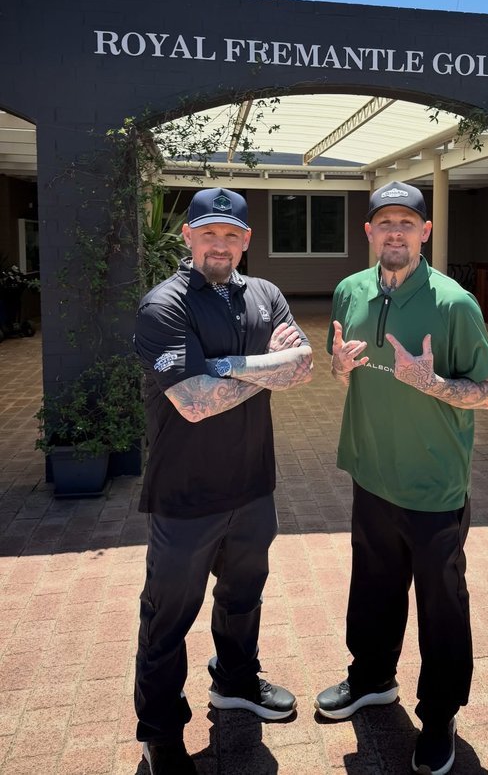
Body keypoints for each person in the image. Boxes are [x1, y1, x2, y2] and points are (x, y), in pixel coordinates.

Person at [314, 181, 488, 775]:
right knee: (372, 585)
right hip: (371, 471)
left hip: (433, 486)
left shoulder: (454, 304)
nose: (396, 232)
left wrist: (435, 384)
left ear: (425, 232)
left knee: (441, 605)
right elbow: (343, 370)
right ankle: (371, 678)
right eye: (385, 222)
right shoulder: (350, 291)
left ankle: (440, 714)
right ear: (369, 231)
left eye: (407, 223)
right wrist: (338, 368)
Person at [133, 187, 313, 775]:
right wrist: (267, 368)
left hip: (253, 485)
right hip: (185, 497)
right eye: (208, 233)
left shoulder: (265, 294)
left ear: (246, 240)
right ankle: (160, 733)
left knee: (243, 597)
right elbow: (192, 403)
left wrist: (225, 366)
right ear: (188, 236)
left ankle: (235, 681)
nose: (220, 244)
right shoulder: (165, 305)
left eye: (231, 234)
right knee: (167, 618)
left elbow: (303, 367)